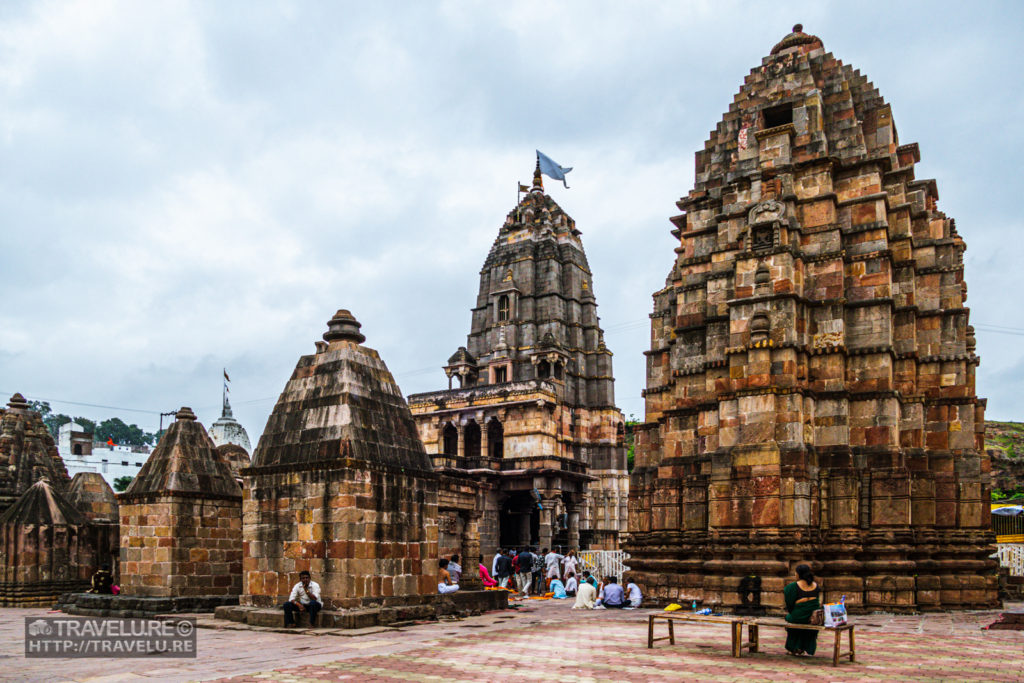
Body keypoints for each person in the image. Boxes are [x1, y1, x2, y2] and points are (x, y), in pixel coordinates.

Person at [784, 564, 820, 656]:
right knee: (801, 621)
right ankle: (802, 647)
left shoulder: (793, 586)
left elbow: (789, 604)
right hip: (813, 617)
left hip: (799, 615)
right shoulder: (815, 585)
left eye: (795, 572)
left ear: (798, 574)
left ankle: (794, 647)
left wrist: (793, 613)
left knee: (790, 618)